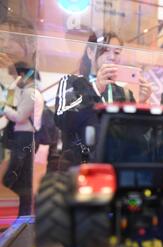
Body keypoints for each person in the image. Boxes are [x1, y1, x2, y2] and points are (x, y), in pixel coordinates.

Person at [54, 31, 152, 170]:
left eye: (117, 52)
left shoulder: (124, 93)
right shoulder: (72, 82)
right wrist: (96, 89)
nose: (112, 57)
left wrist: (141, 104)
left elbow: (134, 137)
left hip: (114, 169)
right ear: (90, 52)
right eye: (105, 50)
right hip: (78, 168)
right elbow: (62, 120)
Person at [0, 62, 44, 216]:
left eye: (15, 75)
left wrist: (3, 108)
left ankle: (21, 213)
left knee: (17, 175)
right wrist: (13, 88)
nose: (14, 78)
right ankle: (21, 214)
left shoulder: (30, 92)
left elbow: (19, 116)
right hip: (23, 136)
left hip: (23, 137)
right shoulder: (27, 91)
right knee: (21, 176)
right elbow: (12, 104)